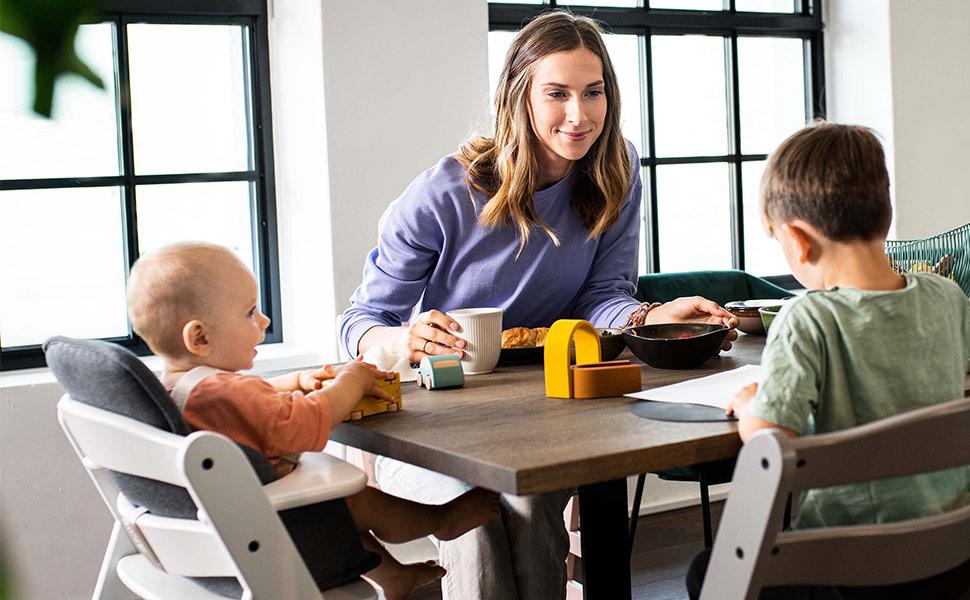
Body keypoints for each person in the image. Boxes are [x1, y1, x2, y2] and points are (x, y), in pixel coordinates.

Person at [340, 10, 738, 600]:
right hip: (435, 416)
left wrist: (649, 318)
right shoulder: (442, 194)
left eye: (593, 92)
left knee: (526, 515)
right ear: (519, 97)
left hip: (545, 409)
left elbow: (604, 296)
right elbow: (359, 324)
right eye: (557, 94)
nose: (579, 115)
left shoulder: (616, 170)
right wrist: (401, 341)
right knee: (476, 523)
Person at [686, 122, 970, 599]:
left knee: (705, 570)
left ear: (798, 240)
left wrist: (756, 401)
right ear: (885, 213)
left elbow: (767, 443)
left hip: (849, 569)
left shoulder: (808, 319)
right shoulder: (946, 297)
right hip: (949, 556)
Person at [126, 241, 500, 600]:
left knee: (332, 503)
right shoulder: (223, 393)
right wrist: (352, 380)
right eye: (249, 312)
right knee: (354, 500)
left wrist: (294, 382)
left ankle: (394, 575)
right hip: (274, 541)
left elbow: (245, 400)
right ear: (200, 337)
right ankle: (444, 520)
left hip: (220, 541)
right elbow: (305, 425)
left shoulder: (178, 390)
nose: (264, 319)